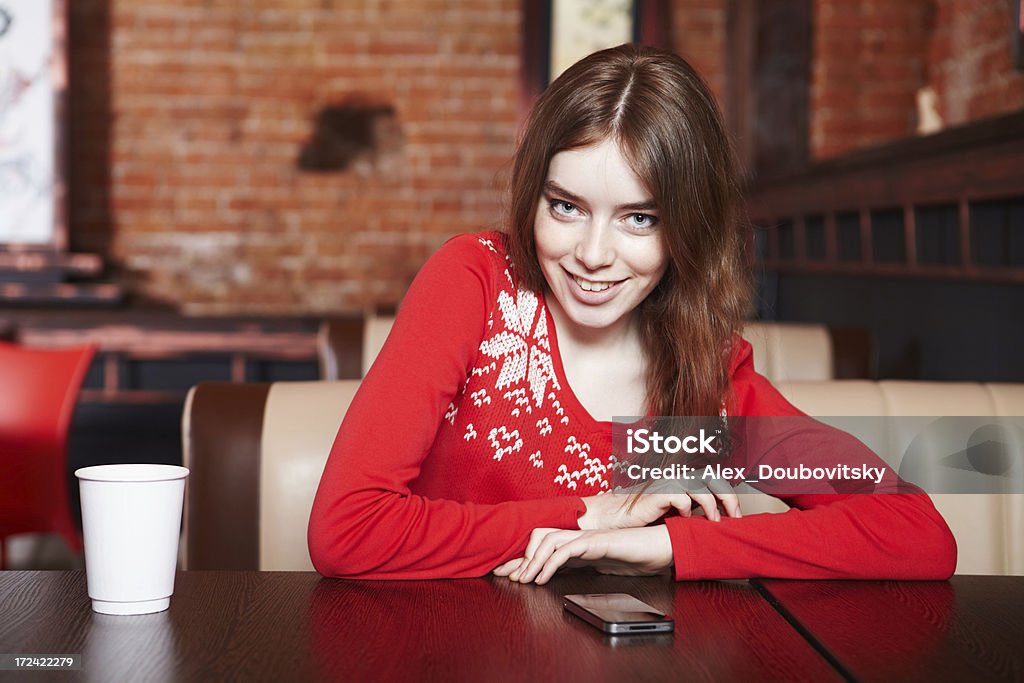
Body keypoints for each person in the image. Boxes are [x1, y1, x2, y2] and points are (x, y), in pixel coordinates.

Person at [308, 44, 956, 582]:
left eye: (639, 218)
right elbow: (349, 529)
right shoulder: (477, 284)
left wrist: (678, 549)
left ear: (687, 228)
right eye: (566, 206)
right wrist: (590, 512)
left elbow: (913, 531)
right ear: (534, 193)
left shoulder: (704, 380)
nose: (592, 254)